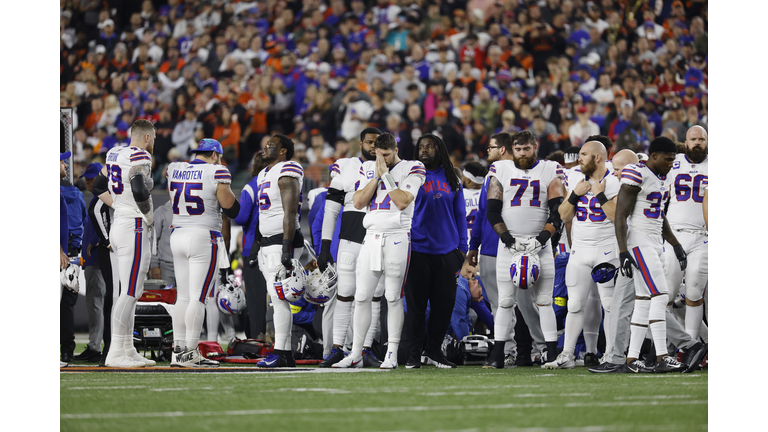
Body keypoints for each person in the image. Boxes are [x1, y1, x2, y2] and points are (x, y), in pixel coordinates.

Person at [588, 150, 706, 374]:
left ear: (634, 165)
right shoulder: (655, 178)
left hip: (637, 249)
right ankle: (679, 347)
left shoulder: (636, 176)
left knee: (638, 301)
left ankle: (623, 357)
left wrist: (600, 197)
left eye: (620, 169)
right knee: (643, 301)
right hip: (639, 248)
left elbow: (619, 216)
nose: (616, 173)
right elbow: (655, 214)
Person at [333, 133, 426, 369]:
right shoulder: (367, 168)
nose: (381, 160)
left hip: (397, 237)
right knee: (362, 296)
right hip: (371, 237)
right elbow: (358, 202)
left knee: (393, 296)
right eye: (378, 155)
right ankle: (355, 353)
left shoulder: (412, 167)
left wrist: (386, 175)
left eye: (385, 155)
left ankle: (391, 353)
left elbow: (403, 201)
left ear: (395, 150)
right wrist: (376, 176)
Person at [484, 130, 565, 368]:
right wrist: (509, 240)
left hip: (540, 245)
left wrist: (541, 239)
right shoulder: (501, 169)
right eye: (518, 149)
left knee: (545, 301)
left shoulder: (550, 169)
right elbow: (492, 210)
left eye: (526, 149)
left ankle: (551, 354)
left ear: (535, 147)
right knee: (505, 301)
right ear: (512, 149)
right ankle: (498, 354)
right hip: (509, 245)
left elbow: (557, 211)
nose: (522, 153)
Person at [613, 137, 686, 373]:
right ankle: (662, 356)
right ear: (654, 156)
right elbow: (621, 215)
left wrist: (674, 243)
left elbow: (658, 216)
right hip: (640, 242)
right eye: (667, 159)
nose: (670, 163)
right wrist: (623, 250)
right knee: (660, 294)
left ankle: (632, 359)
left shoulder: (662, 178)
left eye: (673, 160)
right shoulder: (637, 173)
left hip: (653, 242)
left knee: (644, 300)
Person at [545, 138, 620, 369]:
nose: (579, 158)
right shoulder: (575, 177)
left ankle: (610, 353)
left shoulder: (615, 181)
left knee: (608, 305)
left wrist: (599, 195)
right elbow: (564, 215)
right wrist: (576, 195)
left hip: (607, 249)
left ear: (597, 157)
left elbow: (616, 215)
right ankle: (567, 354)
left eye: (584, 154)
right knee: (575, 304)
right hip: (580, 249)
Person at [166, 139, 239, 368]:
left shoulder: (175, 169)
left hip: (178, 233)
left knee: (183, 296)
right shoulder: (217, 171)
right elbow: (231, 207)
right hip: (203, 236)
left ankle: (178, 351)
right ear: (215, 155)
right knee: (199, 297)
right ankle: (190, 352)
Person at [317, 128, 385, 368]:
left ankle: (365, 350)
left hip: (378, 238)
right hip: (349, 237)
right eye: (369, 142)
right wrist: (325, 245)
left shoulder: (392, 167)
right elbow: (331, 209)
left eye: (378, 143)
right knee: (345, 294)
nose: (373, 147)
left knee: (374, 297)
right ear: (360, 143)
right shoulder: (345, 166)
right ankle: (337, 348)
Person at [93, 119, 157, 368]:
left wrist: (119, 205)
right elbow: (140, 189)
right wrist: (149, 216)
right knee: (130, 292)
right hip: (134, 226)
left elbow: (98, 186)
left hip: (119, 224)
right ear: (148, 138)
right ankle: (115, 352)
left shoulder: (114, 153)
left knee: (125, 292)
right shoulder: (141, 156)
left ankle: (127, 347)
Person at [402, 134, 467, 369]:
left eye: (429, 146)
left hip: (448, 252)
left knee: (444, 305)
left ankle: (433, 351)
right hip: (417, 249)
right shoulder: (409, 175)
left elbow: (460, 213)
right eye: (421, 147)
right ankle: (413, 355)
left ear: (439, 149)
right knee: (416, 308)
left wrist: (463, 248)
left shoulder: (453, 177)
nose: (424, 150)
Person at [254, 135, 306, 368]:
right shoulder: (264, 173)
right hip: (267, 243)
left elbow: (290, 211)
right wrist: (258, 243)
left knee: (279, 298)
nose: (266, 147)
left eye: (272, 145)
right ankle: (283, 352)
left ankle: (283, 352)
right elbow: (263, 213)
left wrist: (286, 247)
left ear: (284, 151)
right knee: (276, 298)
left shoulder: (288, 168)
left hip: (280, 242)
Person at [663, 125, 708, 341]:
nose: (697, 143)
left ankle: (692, 348)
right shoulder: (673, 162)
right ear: (686, 142)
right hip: (673, 236)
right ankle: (671, 345)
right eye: (694, 139)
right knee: (667, 295)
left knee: (694, 293)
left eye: (702, 139)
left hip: (703, 236)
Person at [234, 151, 269, 339]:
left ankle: (257, 337)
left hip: (252, 248)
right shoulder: (280, 184)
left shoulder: (251, 187)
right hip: (276, 246)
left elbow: (241, 217)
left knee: (255, 298)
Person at [75, 162, 107, 363]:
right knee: (95, 303)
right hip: (93, 260)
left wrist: (97, 242)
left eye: (91, 177)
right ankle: (97, 345)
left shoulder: (102, 200)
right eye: (86, 177)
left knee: (96, 303)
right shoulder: (97, 200)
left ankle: (96, 346)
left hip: (97, 260)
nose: (87, 180)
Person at [149, 200, 176, 286]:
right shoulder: (162, 211)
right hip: (166, 267)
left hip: (188, 266)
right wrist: (153, 264)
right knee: (165, 298)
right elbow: (152, 240)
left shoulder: (195, 212)